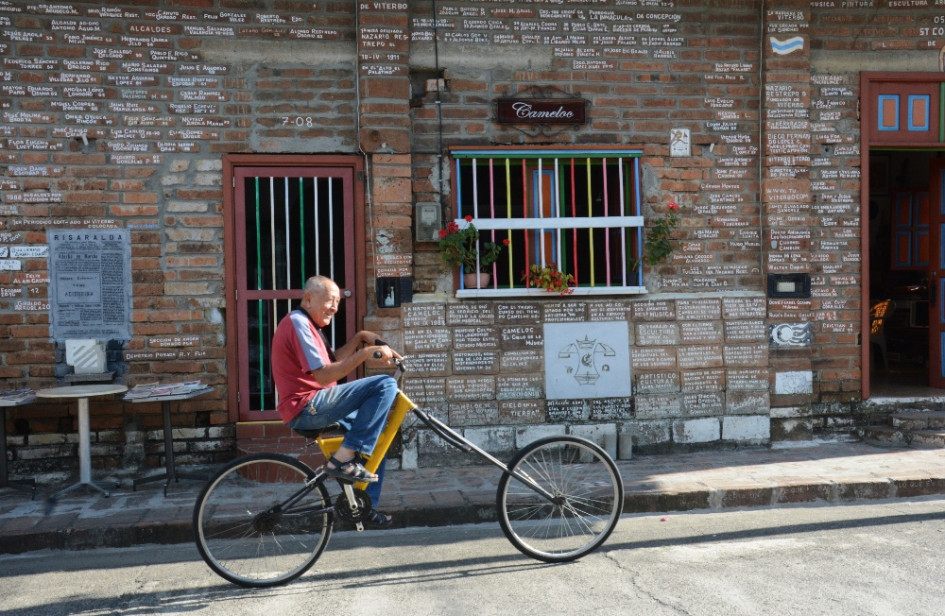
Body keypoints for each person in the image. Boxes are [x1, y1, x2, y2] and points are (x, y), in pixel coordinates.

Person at [271, 275, 401, 526]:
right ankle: (342, 460)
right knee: (385, 384)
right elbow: (324, 376)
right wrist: (364, 354)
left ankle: (363, 508)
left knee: (378, 439)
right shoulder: (298, 323)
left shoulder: (310, 326)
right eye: (331, 301)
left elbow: (331, 363)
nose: (335, 308)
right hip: (307, 406)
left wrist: (360, 337)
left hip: (317, 402)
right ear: (308, 299)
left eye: (338, 303)